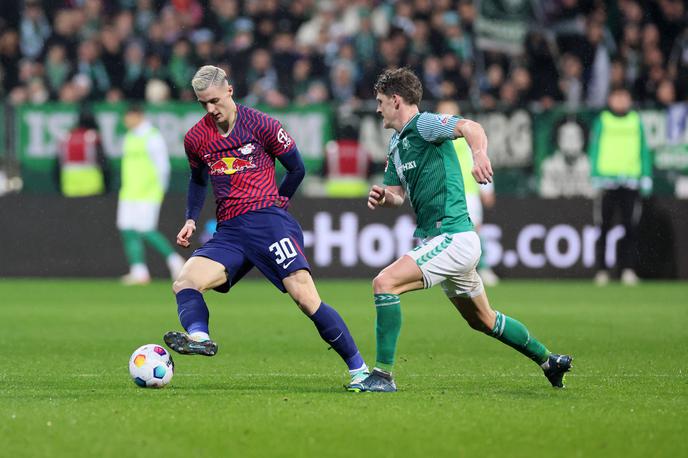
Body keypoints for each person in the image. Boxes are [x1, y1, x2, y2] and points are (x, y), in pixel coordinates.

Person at [354, 68, 572, 392]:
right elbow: (397, 196)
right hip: (445, 241)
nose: (377, 108)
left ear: (396, 100)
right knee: (484, 320)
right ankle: (548, 360)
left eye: (381, 101)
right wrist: (384, 196)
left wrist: (479, 153)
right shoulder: (396, 144)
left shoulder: (424, 124)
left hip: (453, 237)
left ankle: (382, 376)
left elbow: (471, 127)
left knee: (384, 283)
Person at [162, 65, 369, 390]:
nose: (211, 110)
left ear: (229, 90)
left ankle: (361, 371)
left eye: (215, 101)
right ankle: (199, 337)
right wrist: (191, 217)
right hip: (230, 231)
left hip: (268, 223)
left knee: (304, 296)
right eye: (203, 104)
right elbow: (198, 181)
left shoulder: (263, 125)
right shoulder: (196, 138)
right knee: (185, 281)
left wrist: (278, 204)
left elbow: (297, 169)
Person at [589, 86, 652, 286]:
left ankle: (627, 269)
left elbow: (644, 150)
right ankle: (602, 270)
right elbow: (594, 148)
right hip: (606, 181)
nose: (621, 101)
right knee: (604, 228)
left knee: (630, 228)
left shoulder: (636, 121)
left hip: (630, 181)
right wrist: (594, 175)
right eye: (617, 97)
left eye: (624, 97)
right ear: (610, 99)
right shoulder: (603, 120)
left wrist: (646, 175)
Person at [117, 104, 185, 285]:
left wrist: (159, 190)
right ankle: (139, 271)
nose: (125, 121)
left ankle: (175, 261)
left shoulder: (152, 137)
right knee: (127, 229)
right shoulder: (129, 137)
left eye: (128, 116)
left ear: (138, 116)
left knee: (145, 229)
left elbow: (163, 167)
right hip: (129, 192)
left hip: (147, 193)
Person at [436, 99, 499, 285]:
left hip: (468, 191)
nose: (446, 118)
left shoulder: (466, 136)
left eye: (450, 114)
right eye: (442, 114)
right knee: (444, 233)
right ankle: (448, 272)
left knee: (474, 230)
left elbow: (481, 158)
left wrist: (487, 187)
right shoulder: (435, 139)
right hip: (444, 193)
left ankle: (484, 268)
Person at [57, 109, 109, 197]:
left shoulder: (67, 136)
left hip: (70, 181)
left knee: (71, 209)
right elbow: (102, 160)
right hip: (91, 181)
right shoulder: (92, 136)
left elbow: (59, 161)